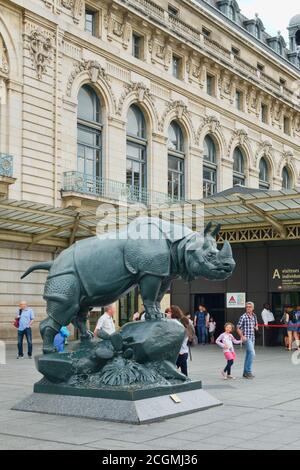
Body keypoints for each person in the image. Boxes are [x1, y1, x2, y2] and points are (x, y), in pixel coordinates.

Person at [237, 301, 258, 379]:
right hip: (247, 337)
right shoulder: (243, 316)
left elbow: (256, 324)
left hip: (253, 337)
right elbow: (238, 328)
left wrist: (256, 327)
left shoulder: (254, 316)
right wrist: (242, 336)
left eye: (250, 307)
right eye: (247, 307)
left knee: (248, 354)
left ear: (253, 308)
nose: (248, 308)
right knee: (252, 353)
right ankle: (248, 371)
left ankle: (245, 372)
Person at [170, 305, 189, 376]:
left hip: (180, 352)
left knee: (172, 370)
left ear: (173, 313)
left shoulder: (175, 322)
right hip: (184, 351)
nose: (168, 314)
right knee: (184, 371)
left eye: (170, 312)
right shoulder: (183, 320)